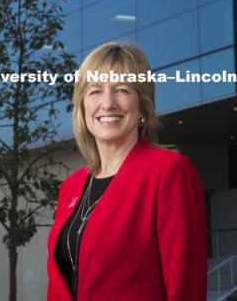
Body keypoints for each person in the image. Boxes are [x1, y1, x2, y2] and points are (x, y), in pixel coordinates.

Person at [47, 42, 208, 301]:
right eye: (95, 91)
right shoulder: (71, 186)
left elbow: (186, 285)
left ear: (142, 106)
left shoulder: (169, 172)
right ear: (82, 107)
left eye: (122, 90)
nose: (107, 103)